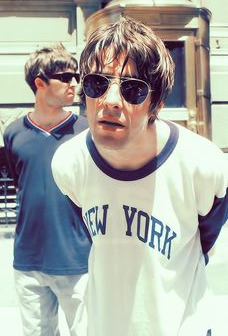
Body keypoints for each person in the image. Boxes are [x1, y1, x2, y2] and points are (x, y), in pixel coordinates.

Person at [52, 17, 228, 336]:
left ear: (156, 104)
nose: (111, 100)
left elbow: (205, 241)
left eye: (133, 89)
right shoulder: (69, 163)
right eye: (97, 83)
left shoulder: (202, 166)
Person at [3, 43, 91, 336]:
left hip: (78, 259)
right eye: (66, 78)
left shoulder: (87, 132)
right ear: (40, 83)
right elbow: (23, 185)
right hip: (29, 261)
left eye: (76, 76)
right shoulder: (13, 132)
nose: (75, 84)